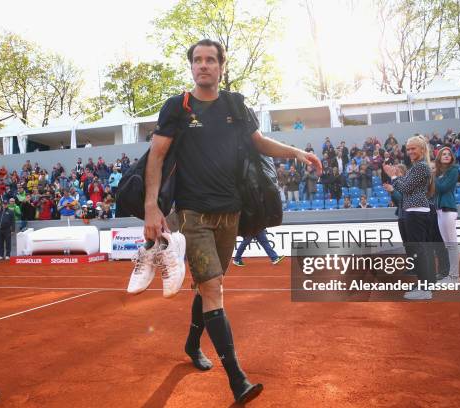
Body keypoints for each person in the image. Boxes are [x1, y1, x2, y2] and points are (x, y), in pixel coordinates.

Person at [132, 39, 322, 404]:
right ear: (191, 67)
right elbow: (156, 157)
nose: (204, 66)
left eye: (210, 60)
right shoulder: (177, 107)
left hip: (230, 213)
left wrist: (297, 152)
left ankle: (191, 343)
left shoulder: (235, 105)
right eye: (197, 60)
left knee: (209, 285)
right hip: (192, 214)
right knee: (214, 286)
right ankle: (237, 380)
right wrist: (152, 207)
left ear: (220, 66)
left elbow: (260, 143)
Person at [383, 135, 435, 300]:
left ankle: (425, 289)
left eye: (414, 148)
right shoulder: (416, 167)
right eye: (409, 148)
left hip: (416, 211)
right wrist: (397, 178)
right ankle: (422, 283)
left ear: (422, 149)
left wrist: (394, 177)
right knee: (417, 249)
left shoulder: (421, 167)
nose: (410, 151)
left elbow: (404, 187)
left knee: (419, 249)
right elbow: (405, 187)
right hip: (413, 210)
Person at [434, 147, 460, 283]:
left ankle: (455, 277)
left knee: (452, 243)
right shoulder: (438, 173)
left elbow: (443, 188)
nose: (446, 156)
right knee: (448, 244)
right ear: (439, 157)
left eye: (448, 154)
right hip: (439, 210)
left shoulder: (453, 170)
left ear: (451, 157)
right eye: (443, 154)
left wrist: (433, 177)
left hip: (448, 209)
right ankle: (451, 276)